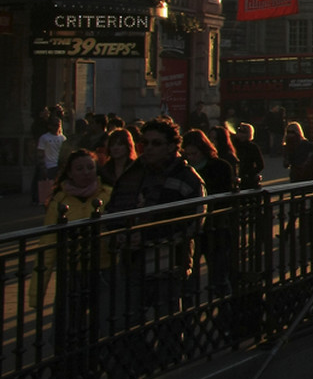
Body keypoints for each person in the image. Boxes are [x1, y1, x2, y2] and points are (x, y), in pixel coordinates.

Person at [108, 117, 206, 316]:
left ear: (171, 147)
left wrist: (147, 236)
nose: (149, 148)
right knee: (128, 322)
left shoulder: (187, 177)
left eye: (156, 143)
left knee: (168, 323)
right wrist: (118, 232)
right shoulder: (133, 172)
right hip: (133, 260)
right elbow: (114, 207)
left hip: (169, 263)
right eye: (145, 143)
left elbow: (193, 221)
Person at [36, 149, 114, 300]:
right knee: (69, 318)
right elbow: (48, 243)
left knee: (104, 319)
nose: (86, 172)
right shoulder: (59, 200)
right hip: (72, 270)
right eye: (79, 169)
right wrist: (37, 291)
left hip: (105, 268)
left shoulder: (109, 194)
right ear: (70, 173)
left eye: (90, 167)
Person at [181, 130, 236, 295]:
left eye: (194, 153)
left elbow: (227, 197)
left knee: (219, 276)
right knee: (189, 280)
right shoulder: (183, 171)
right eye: (188, 154)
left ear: (203, 150)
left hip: (216, 228)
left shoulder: (220, 166)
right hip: (193, 230)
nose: (191, 157)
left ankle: (224, 313)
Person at [36, 117, 67, 205]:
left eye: (58, 125)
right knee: (49, 185)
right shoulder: (44, 138)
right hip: (49, 165)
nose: (57, 127)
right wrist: (43, 166)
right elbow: (40, 152)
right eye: (55, 125)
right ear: (49, 126)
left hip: (59, 165)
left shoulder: (63, 138)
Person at [233, 123, 265, 190]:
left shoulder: (252, 147)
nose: (240, 134)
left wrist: (250, 174)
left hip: (248, 179)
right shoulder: (233, 145)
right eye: (239, 131)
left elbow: (260, 165)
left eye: (243, 132)